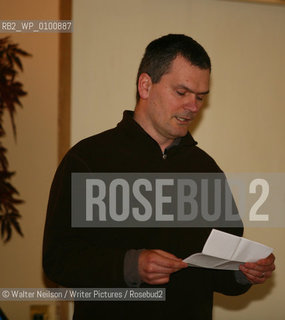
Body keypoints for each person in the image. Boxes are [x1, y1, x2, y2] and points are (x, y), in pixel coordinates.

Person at [43, 34, 275, 319]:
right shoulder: (88, 159)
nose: (193, 106)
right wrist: (131, 265)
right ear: (145, 85)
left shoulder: (206, 170)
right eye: (182, 92)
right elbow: (58, 261)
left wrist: (245, 272)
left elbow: (219, 274)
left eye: (200, 97)